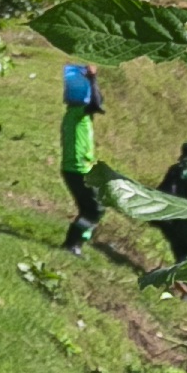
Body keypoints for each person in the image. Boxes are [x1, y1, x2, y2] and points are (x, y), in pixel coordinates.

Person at [58, 60, 109, 252]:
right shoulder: (79, 113)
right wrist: (92, 78)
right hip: (79, 169)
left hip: (74, 168)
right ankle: (73, 243)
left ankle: (74, 243)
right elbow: (96, 103)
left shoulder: (72, 114)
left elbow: (97, 103)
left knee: (88, 209)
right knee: (95, 210)